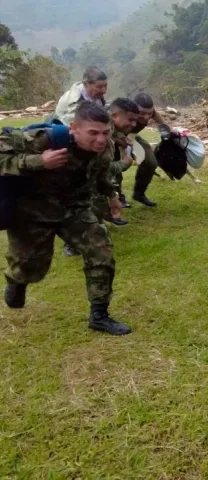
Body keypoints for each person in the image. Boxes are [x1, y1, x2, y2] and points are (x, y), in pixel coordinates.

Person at [1, 101, 132, 336]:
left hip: (74, 210)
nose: (100, 140)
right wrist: (38, 161)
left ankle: (99, 316)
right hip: (32, 212)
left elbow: (100, 175)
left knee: (101, 253)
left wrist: (112, 195)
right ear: (75, 128)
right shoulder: (42, 140)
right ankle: (16, 280)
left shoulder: (104, 148)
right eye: (93, 133)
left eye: (105, 132)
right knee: (30, 267)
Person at [63, 98, 138, 257]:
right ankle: (72, 243)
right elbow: (104, 169)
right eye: (130, 119)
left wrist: (113, 195)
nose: (133, 124)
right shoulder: (96, 137)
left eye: (106, 133)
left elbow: (102, 170)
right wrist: (124, 164)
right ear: (115, 116)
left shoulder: (109, 133)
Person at [131, 92, 174, 207]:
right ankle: (116, 196)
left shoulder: (151, 113)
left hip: (132, 137)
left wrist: (167, 129)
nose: (146, 117)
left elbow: (157, 116)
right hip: (115, 139)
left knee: (151, 162)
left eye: (148, 113)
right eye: (142, 113)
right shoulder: (124, 112)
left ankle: (139, 193)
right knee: (117, 166)